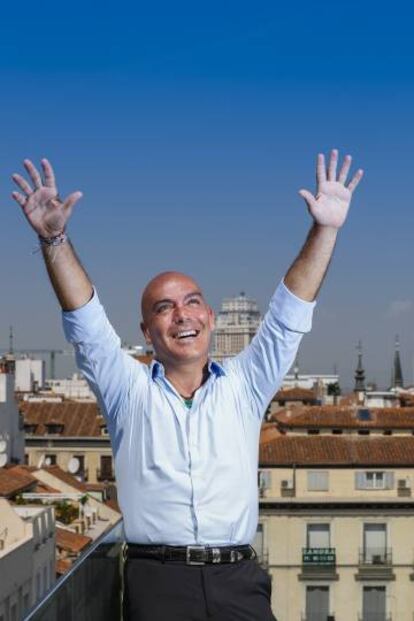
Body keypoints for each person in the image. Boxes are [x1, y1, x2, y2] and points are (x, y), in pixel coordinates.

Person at [12, 150, 363, 620]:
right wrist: (55, 239)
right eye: (164, 307)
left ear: (210, 319)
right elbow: (86, 322)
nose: (182, 314)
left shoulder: (245, 383)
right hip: (160, 584)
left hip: (239, 580)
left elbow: (288, 316)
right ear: (147, 331)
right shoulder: (127, 390)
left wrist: (326, 229)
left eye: (192, 302)